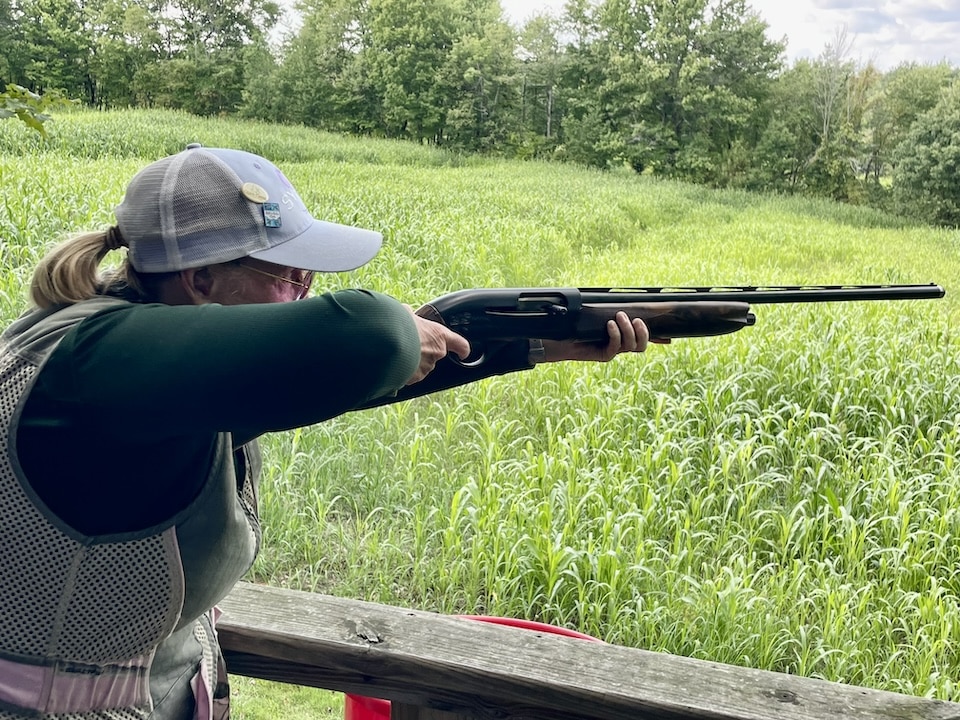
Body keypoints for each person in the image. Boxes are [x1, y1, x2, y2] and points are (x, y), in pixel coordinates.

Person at [0, 144, 651, 720]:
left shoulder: (135, 353)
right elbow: (367, 337)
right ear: (200, 280)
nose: (307, 289)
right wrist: (398, 332)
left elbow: (338, 375)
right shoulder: (101, 366)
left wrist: (536, 342)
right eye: (285, 273)